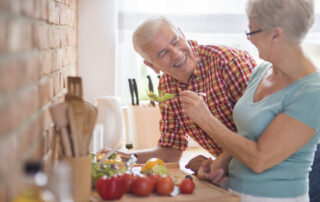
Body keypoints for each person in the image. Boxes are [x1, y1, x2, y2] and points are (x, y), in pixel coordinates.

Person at [180, 0, 319, 201]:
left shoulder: (312, 92)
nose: (249, 40)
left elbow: (259, 159)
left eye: (252, 32)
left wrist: (206, 119)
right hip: (234, 191)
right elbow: (248, 135)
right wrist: (221, 163)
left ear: (276, 35)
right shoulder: (261, 71)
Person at [128, 16, 256, 165]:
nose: (176, 53)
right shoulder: (167, 87)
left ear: (182, 34)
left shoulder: (227, 62)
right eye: (163, 53)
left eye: (175, 41)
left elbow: (257, 129)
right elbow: (171, 151)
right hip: (235, 170)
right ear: (151, 65)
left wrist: (218, 163)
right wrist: (124, 157)